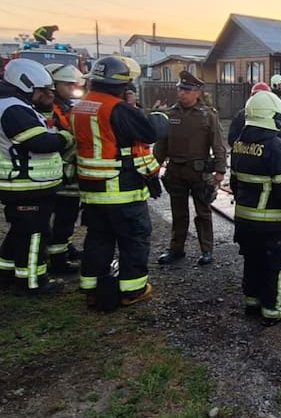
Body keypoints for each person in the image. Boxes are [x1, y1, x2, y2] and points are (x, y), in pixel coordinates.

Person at [71, 56, 167, 308]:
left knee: (98, 238)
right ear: (121, 84)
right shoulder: (116, 108)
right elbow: (150, 132)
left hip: (91, 189)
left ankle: (91, 287)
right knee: (134, 238)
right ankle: (132, 290)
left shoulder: (80, 106)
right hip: (120, 189)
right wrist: (160, 115)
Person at [230, 90, 281, 325]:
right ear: (273, 118)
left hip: (245, 221)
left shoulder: (239, 145)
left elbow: (235, 183)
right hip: (273, 225)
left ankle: (252, 301)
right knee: (278, 266)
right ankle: (275, 310)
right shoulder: (277, 148)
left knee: (253, 261)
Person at [0, 59, 74, 294]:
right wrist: (65, 137)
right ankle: (32, 282)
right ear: (29, 86)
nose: (48, 95)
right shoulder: (14, 109)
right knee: (34, 235)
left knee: (19, 232)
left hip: (24, 183)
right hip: (25, 184)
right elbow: (40, 141)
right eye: (44, 91)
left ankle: (6, 271)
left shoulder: (15, 105)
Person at [153, 71, 227, 266]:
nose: (182, 93)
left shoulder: (207, 116)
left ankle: (207, 251)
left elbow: (218, 144)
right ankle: (176, 249)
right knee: (178, 213)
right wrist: (153, 167)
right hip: (175, 171)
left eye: (186, 90)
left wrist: (220, 170)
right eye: (180, 89)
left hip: (198, 172)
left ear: (197, 93)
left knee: (203, 212)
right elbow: (162, 144)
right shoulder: (170, 114)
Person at [41, 63, 85, 272]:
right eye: (67, 85)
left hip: (68, 170)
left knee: (67, 216)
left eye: (73, 84)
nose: (72, 88)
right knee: (64, 217)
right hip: (61, 172)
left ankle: (65, 247)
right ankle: (59, 260)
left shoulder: (64, 105)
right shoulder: (50, 109)